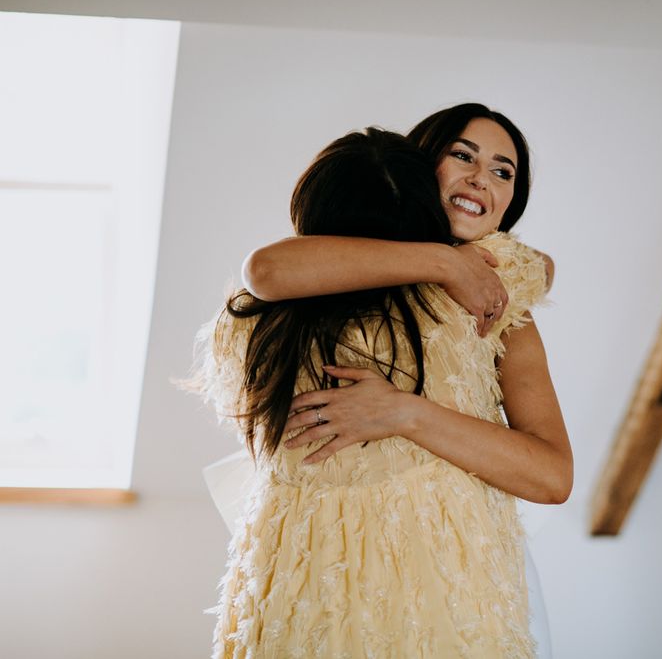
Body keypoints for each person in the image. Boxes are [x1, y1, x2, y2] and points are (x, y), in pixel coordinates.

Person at [190, 120, 571, 657]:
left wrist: (403, 413)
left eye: (502, 171)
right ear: (417, 170)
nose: (481, 179)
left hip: (449, 573)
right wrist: (442, 261)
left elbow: (552, 474)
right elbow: (267, 269)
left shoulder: (495, 293)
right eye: (463, 156)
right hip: (308, 574)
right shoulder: (297, 287)